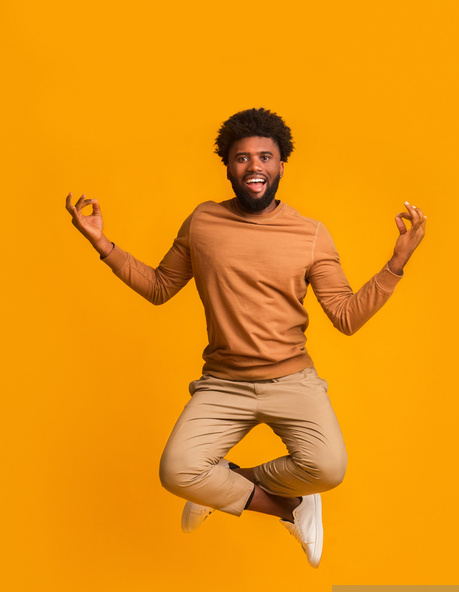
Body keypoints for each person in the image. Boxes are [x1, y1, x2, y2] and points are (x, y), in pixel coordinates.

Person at [66, 107, 426, 568]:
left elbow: (346, 316)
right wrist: (102, 244)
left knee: (329, 469)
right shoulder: (202, 223)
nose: (254, 166)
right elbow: (159, 288)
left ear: (280, 166)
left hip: (292, 381)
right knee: (177, 471)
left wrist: (396, 264)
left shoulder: (311, 234)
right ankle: (286, 505)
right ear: (228, 167)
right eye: (242, 158)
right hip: (223, 384)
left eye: (265, 157)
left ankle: (225, 486)